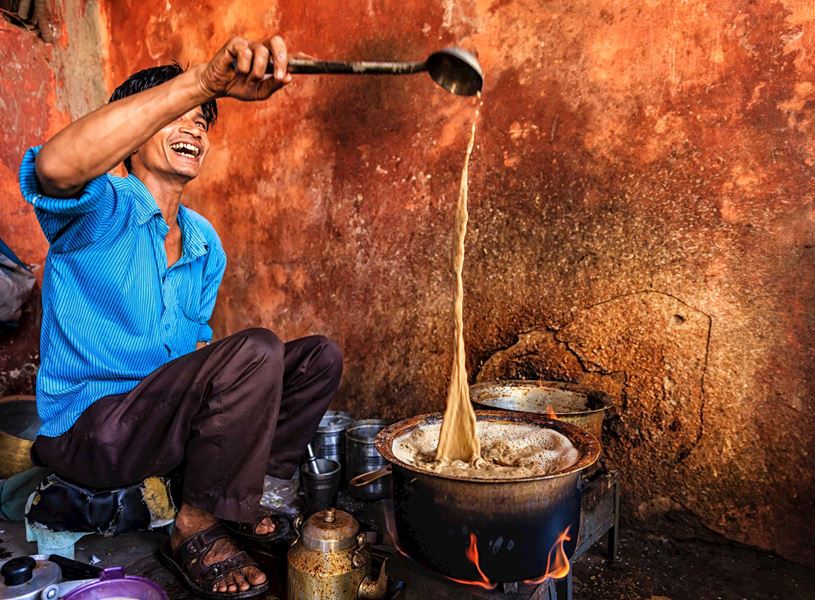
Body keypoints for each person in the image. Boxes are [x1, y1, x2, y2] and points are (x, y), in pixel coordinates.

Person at [18, 35, 342, 598]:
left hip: (160, 420)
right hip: (92, 430)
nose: (194, 128)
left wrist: (234, 381)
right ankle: (193, 527)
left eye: (203, 120)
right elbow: (54, 164)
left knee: (316, 358)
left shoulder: (202, 241)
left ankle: (245, 500)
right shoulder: (101, 205)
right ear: (134, 131)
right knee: (256, 349)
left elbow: (193, 351)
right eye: (177, 117)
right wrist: (198, 81)